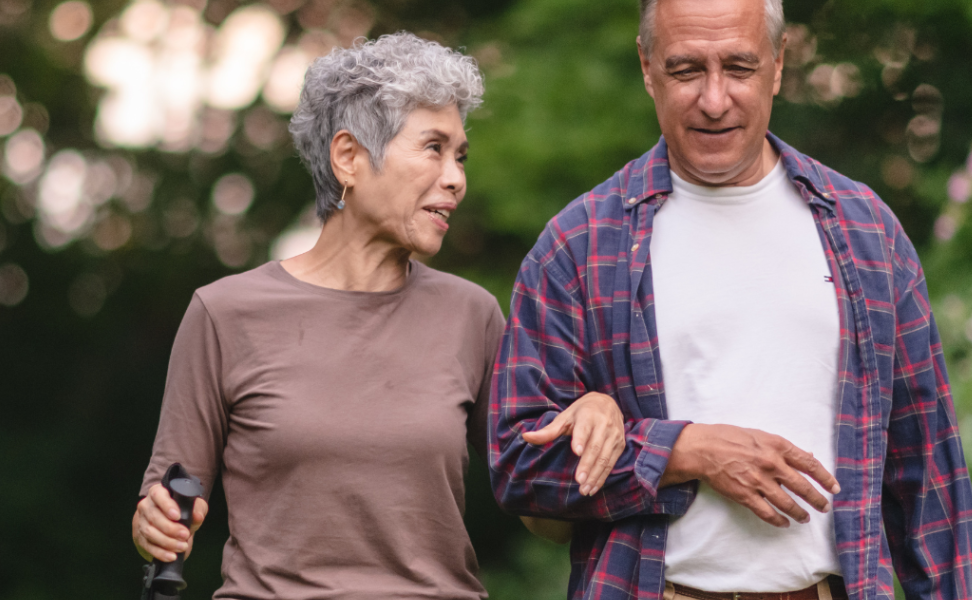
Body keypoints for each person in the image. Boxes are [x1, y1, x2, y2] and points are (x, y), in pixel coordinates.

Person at [487, 0, 972, 599]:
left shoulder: (866, 231)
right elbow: (518, 464)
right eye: (685, 71)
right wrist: (683, 451)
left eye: (740, 67)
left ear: (779, 66)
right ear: (647, 68)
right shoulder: (579, 244)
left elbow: (929, 474)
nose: (714, 99)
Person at [131, 32, 625, 599]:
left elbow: (548, 518)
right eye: (433, 148)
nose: (456, 178)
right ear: (349, 157)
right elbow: (162, 510)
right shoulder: (224, 314)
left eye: (460, 155)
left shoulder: (473, 316)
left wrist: (592, 413)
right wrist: (153, 525)